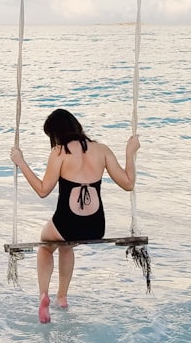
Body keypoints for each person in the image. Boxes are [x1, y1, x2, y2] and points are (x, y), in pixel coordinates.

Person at [10, 108, 140, 323]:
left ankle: (44, 295)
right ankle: (63, 297)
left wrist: (21, 162)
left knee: (45, 245)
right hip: (96, 226)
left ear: (56, 134)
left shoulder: (60, 152)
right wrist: (130, 152)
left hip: (66, 223)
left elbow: (43, 190)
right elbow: (128, 184)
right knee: (66, 245)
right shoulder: (102, 150)